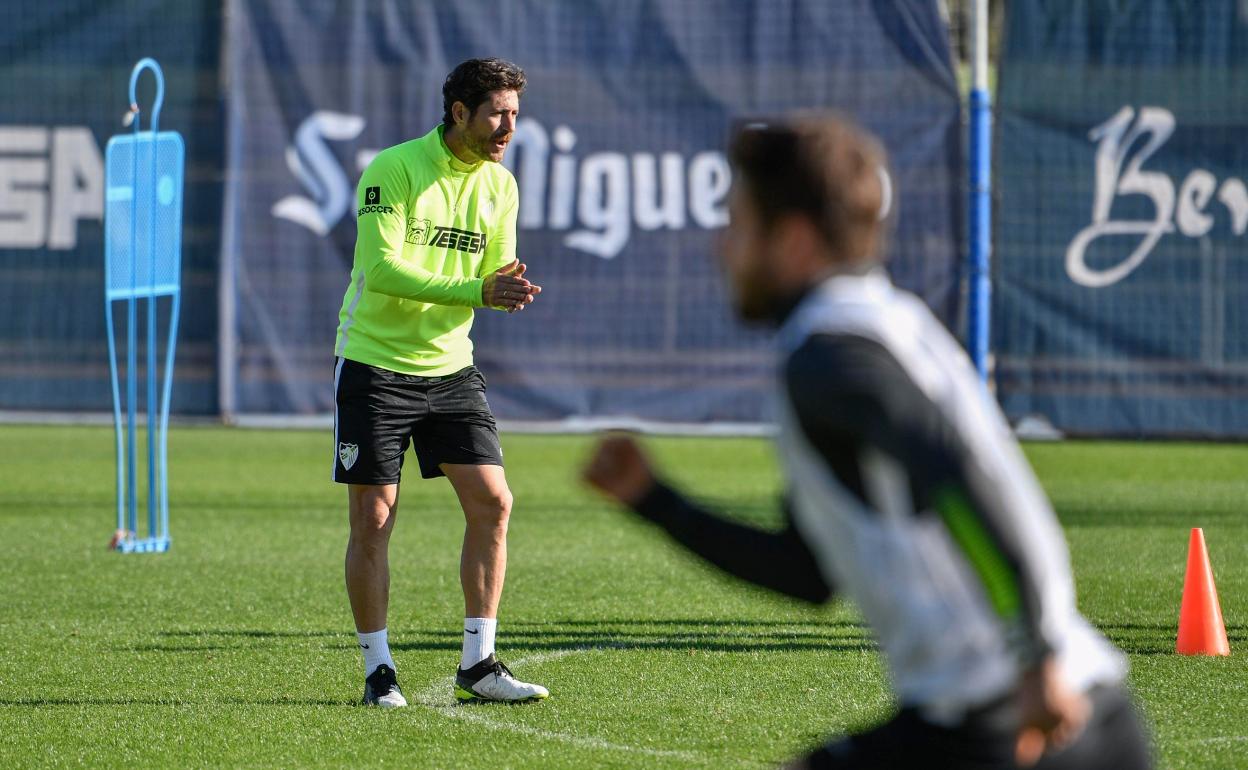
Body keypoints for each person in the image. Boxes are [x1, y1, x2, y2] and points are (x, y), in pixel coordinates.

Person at [583, 115, 1151, 769]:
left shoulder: (830, 357)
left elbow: (955, 471)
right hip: (1081, 713)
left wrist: (1036, 658)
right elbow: (809, 574)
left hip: (1007, 724)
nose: (720, 246)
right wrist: (657, 502)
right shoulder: (875, 322)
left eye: (737, 223)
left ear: (792, 241)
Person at [333, 58, 548, 708]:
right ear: (459, 111)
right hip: (375, 363)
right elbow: (382, 269)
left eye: (514, 113)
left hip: (451, 366)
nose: (509, 125)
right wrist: (480, 288)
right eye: (497, 113)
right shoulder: (393, 170)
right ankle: (378, 673)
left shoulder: (501, 186)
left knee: (494, 502)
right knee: (374, 518)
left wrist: (506, 288)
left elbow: (491, 272)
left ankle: (478, 665)